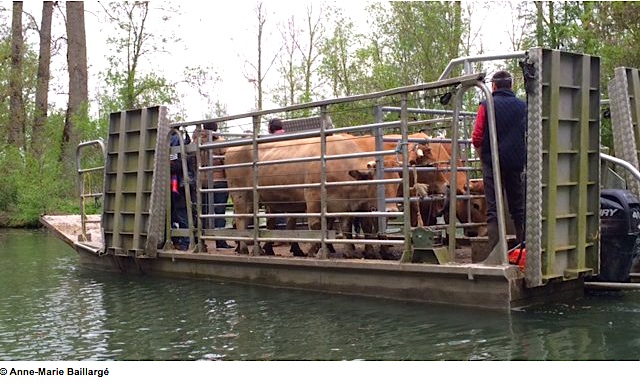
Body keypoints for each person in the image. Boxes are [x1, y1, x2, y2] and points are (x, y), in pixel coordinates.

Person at [471, 70, 527, 255]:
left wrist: (483, 158)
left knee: (493, 207)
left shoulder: (486, 105)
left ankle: (496, 252)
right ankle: (523, 249)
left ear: (493, 86)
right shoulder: (523, 106)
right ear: (511, 86)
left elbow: (477, 136)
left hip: (492, 162)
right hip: (516, 162)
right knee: (518, 207)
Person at [198, 121, 232, 249]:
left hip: (203, 182)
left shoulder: (198, 142)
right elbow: (226, 162)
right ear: (216, 128)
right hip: (219, 180)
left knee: (203, 212)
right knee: (219, 211)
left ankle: (201, 241)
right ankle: (220, 241)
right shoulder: (221, 142)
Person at [169, 127, 195, 251]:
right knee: (182, 212)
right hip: (183, 183)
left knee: (179, 212)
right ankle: (184, 240)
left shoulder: (174, 141)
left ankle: (184, 242)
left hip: (177, 183)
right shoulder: (184, 141)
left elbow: (175, 163)